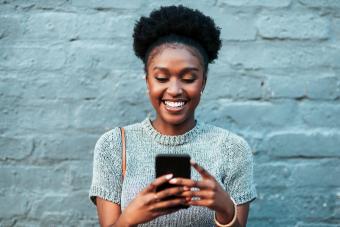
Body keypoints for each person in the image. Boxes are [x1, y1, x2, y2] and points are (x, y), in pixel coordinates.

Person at [89, 5, 256, 227]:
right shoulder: (113, 146)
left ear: (203, 82)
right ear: (147, 80)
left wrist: (225, 209)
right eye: (161, 78)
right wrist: (131, 217)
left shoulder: (233, 149)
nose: (175, 89)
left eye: (188, 78)